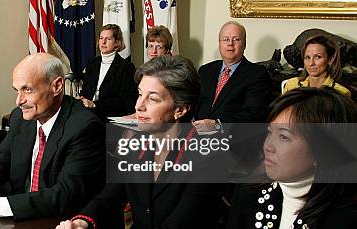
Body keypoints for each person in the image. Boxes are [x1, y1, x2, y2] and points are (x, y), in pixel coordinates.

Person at [56, 55, 227, 229]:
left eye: (152, 99)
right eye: (140, 94)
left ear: (180, 109)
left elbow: (179, 224)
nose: (139, 106)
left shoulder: (209, 159)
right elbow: (110, 195)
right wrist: (81, 222)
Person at [0, 53, 105, 221]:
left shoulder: (85, 126)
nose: (18, 101)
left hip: (60, 221)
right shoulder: (20, 117)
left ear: (56, 86)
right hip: (20, 216)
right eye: (17, 91)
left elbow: (64, 195)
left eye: (27, 90)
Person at [227, 87, 357, 229]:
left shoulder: (346, 215)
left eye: (283, 137)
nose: (267, 146)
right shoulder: (249, 189)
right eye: (269, 132)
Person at [193, 21, 272, 133]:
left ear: (244, 44)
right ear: (219, 43)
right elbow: (194, 103)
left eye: (236, 39)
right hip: (197, 136)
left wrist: (217, 126)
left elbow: (252, 116)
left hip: (232, 140)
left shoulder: (258, 75)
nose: (230, 43)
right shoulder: (205, 71)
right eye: (225, 39)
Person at [79, 24, 136, 119]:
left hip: (110, 115)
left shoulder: (126, 67)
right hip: (88, 113)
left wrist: (94, 104)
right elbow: (86, 91)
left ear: (117, 43)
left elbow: (124, 101)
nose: (103, 42)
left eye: (108, 39)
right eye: (101, 38)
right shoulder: (92, 63)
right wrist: (82, 98)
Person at [282, 35, 351, 97]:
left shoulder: (341, 92)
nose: (311, 63)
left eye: (317, 57)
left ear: (330, 59)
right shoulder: (292, 85)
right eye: (307, 57)